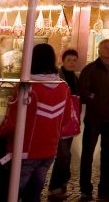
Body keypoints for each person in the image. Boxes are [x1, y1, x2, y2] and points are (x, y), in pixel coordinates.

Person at [0, 42, 69, 201]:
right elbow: (66, 119)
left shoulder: (27, 88)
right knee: (33, 195)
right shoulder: (63, 88)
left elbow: (10, 124)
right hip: (48, 152)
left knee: (11, 194)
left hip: (25, 152)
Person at [78, 38, 109, 200]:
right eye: (105, 47)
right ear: (99, 49)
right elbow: (82, 90)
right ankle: (85, 188)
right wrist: (94, 99)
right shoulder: (90, 69)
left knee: (108, 152)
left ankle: (106, 186)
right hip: (94, 117)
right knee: (88, 153)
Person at [47, 48, 81, 200]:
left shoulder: (75, 78)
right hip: (59, 121)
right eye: (69, 60)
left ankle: (61, 186)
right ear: (63, 61)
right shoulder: (58, 78)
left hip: (71, 123)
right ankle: (55, 188)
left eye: (74, 60)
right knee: (63, 155)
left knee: (66, 155)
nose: (72, 63)